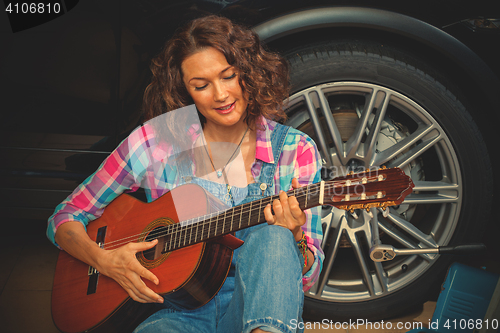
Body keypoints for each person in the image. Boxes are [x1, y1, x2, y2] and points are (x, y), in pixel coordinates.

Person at [47, 15, 324, 333]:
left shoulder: (294, 150)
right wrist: (105, 261)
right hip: (173, 312)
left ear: (248, 73)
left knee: (273, 235)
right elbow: (66, 216)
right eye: (201, 85)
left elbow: (308, 276)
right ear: (184, 92)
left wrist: (295, 238)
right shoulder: (154, 143)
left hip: (256, 308)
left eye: (228, 76)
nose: (220, 94)